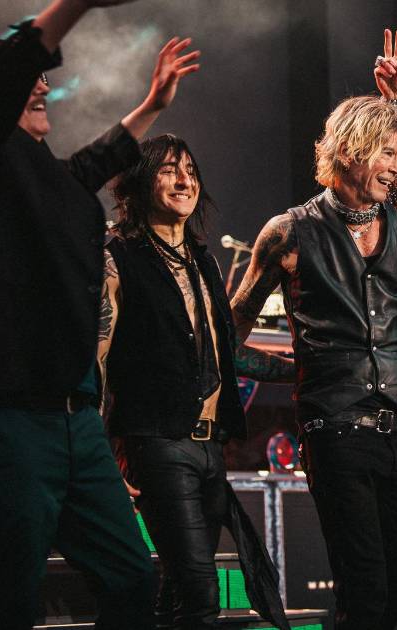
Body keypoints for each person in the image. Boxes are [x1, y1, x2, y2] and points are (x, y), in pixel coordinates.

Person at [0, 0, 198, 625]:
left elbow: (95, 162)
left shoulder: (46, 176)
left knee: (131, 577)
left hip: (77, 422)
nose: (44, 87)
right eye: (30, 80)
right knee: (10, 600)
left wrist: (152, 105)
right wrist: (76, 5)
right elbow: (9, 76)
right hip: (11, 422)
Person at [228, 51, 397, 627]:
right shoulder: (289, 231)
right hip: (334, 429)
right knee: (364, 586)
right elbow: (231, 328)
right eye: (387, 153)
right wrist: (289, 371)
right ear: (351, 150)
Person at [98, 134, 291, 629]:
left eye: (190, 170)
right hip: (156, 441)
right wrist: (98, 456)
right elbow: (95, 360)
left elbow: (223, 354)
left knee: (177, 594)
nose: (184, 180)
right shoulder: (118, 255)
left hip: (210, 448)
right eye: (168, 170)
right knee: (201, 595)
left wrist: (303, 368)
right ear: (140, 182)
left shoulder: (203, 260)